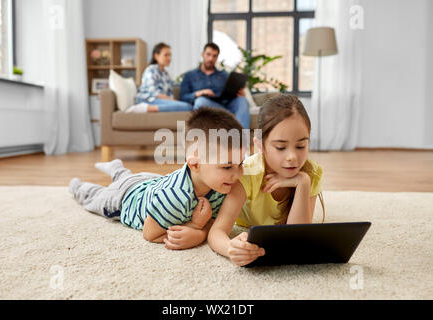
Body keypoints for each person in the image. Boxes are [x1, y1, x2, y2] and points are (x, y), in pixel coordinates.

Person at [69, 107, 246, 249]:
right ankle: (78, 186)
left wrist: (202, 227)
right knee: (94, 197)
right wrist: (195, 228)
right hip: (124, 198)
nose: (237, 174)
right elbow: (149, 234)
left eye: (241, 164)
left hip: (150, 181)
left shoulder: (222, 184)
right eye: (227, 166)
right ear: (195, 164)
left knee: (127, 178)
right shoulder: (174, 197)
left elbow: (217, 222)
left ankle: (117, 169)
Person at [207, 94, 326, 266]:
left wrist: (303, 182)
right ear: (260, 145)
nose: (292, 157)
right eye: (280, 147)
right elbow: (216, 231)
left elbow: (298, 236)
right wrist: (230, 248)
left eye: (301, 146)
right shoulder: (246, 174)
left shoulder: (311, 173)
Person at [179, 42, 251, 129]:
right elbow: (183, 97)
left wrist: (239, 94)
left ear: (217, 57)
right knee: (200, 101)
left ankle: (241, 140)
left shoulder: (224, 75)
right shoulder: (189, 75)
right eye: (208, 54)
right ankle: (227, 117)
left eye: (214, 56)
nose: (211, 58)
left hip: (224, 105)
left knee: (242, 100)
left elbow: (230, 94)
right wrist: (198, 93)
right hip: (206, 104)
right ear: (203, 54)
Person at [128, 42, 192, 113]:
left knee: (183, 107)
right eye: (166, 55)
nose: (169, 58)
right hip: (148, 100)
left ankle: (180, 124)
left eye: (170, 55)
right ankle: (145, 108)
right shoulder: (151, 70)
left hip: (160, 101)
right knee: (186, 107)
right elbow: (155, 93)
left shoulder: (165, 74)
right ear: (156, 56)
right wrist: (174, 101)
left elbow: (176, 85)